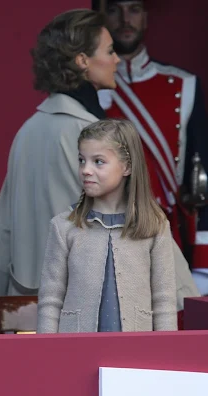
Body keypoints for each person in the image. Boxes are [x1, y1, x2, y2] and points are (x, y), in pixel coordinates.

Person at [0, 9, 119, 330]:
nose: (117, 59)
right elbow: (120, 223)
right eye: (109, 51)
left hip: (25, 310)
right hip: (85, 313)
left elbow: (3, 228)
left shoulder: (28, 130)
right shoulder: (90, 135)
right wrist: (181, 293)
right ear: (82, 61)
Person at [98, 0, 208, 294]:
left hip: (171, 235)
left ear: (145, 16)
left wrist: (201, 260)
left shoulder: (184, 84)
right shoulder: (92, 88)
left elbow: (201, 182)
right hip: (108, 238)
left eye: (133, 9)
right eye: (113, 9)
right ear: (99, 15)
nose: (125, 19)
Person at [37, 118, 177, 333]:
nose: (86, 169)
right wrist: (46, 351)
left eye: (98, 161)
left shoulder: (155, 226)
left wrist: (166, 354)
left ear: (127, 167)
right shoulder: (63, 226)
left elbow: (164, 300)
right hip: (75, 350)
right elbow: (50, 299)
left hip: (135, 353)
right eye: (82, 160)